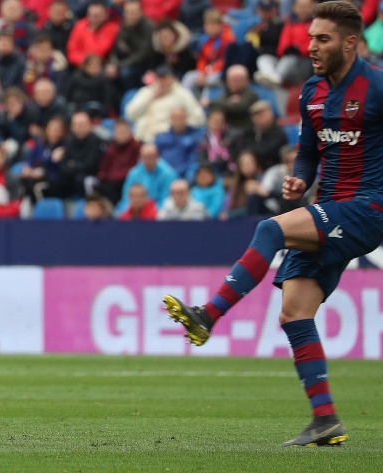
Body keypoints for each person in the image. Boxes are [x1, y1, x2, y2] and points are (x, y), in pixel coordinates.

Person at [163, 2, 380, 447]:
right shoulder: (312, 91)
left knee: (270, 230)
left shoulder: (376, 87)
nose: (311, 46)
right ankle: (325, 420)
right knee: (294, 312)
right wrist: (299, 176)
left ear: (350, 43)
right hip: (329, 207)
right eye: (310, 37)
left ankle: (208, 315)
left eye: (322, 39)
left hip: (368, 208)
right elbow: (308, 152)